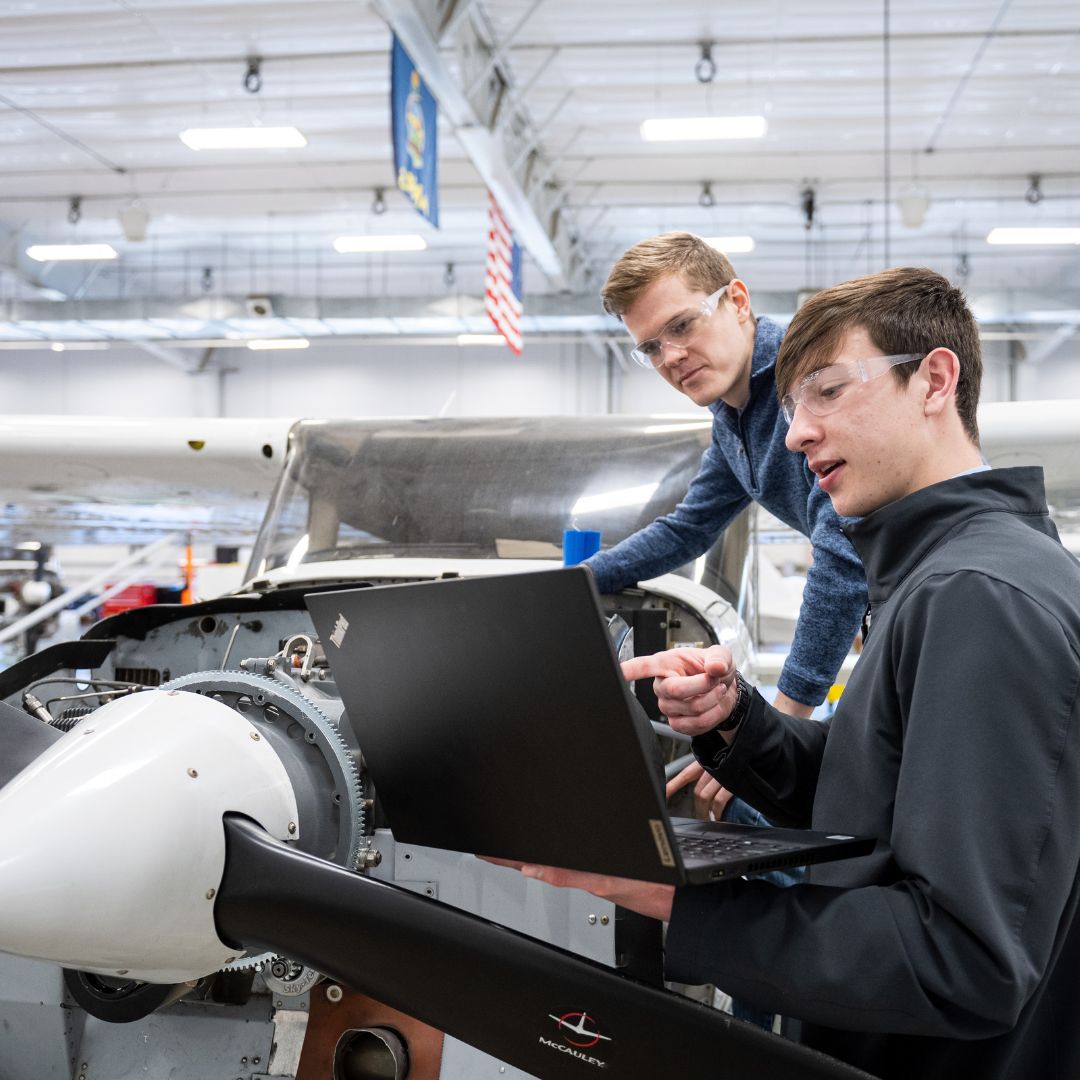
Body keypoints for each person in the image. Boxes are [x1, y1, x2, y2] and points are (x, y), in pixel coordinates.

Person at [499, 267, 1080, 1079]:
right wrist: (737, 721)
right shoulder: (942, 576)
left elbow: (962, 960)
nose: (799, 434)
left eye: (829, 393)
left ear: (935, 382)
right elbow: (880, 802)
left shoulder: (977, 599)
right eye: (793, 405)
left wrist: (668, 895)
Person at [585, 232, 867, 726]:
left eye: (682, 325)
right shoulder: (732, 415)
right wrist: (579, 580)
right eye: (651, 347)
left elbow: (842, 554)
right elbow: (689, 528)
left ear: (737, 302)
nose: (670, 357)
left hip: (952, 604)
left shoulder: (804, 380)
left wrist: (786, 716)